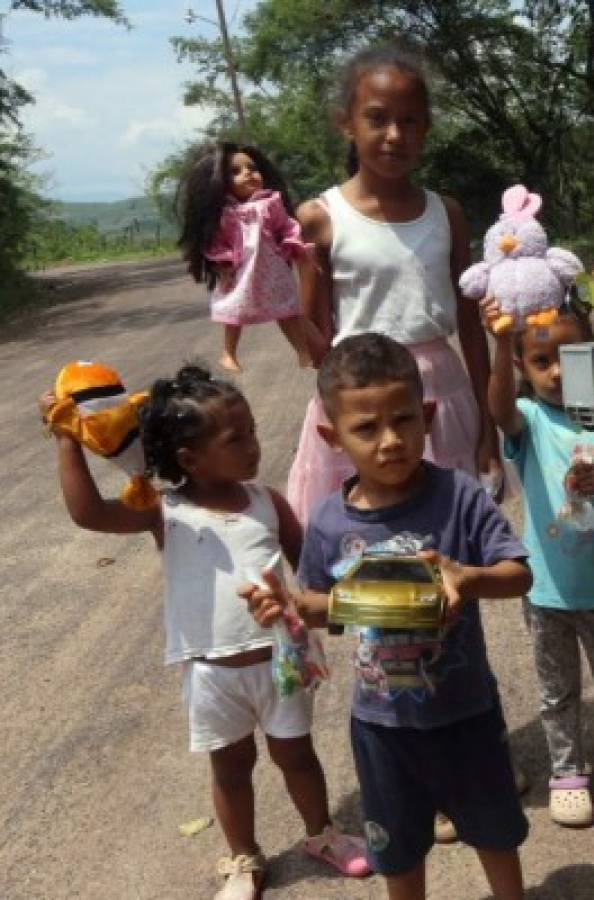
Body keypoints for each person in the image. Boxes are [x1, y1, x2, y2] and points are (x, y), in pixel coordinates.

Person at [40, 366, 369, 900]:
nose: (253, 446)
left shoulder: (268, 501)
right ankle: (244, 858)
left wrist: (330, 601)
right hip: (214, 672)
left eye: (253, 431)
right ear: (189, 459)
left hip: (280, 662)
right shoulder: (165, 511)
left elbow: (309, 569)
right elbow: (89, 514)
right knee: (231, 768)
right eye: (235, 438)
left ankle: (321, 835)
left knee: (297, 756)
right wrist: (66, 439)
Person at [243, 333, 531, 900]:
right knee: (397, 852)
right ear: (332, 438)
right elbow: (327, 608)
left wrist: (469, 579)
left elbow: (519, 575)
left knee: (495, 834)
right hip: (381, 727)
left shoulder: (461, 497)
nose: (391, 440)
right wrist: (289, 606)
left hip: (467, 711)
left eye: (404, 420)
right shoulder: (328, 522)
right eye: (366, 428)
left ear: (427, 416)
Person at [286, 43, 501, 526]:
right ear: (347, 123)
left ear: (426, 128)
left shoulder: (447, 213)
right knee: (361, 542)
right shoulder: (320, 218)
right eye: (377, 118)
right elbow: (312, 343)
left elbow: (469, 326)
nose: (394, 135)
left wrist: (488, 430)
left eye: (410, 121)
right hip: (358, 396)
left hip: (439, 396)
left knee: (446, 539)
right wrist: (274, 296)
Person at [485, 294, 594, 828]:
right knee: (557, 690)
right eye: (540, 361)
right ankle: (567, 772)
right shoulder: (531, 421)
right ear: (523, 367)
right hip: (547, 593)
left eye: (571, 356)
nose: (557, 371)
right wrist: (497, 344)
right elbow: (499, 411)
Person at [177, 141, 318, 373]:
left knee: (287, 311)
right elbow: (217, 241)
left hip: (271, 268)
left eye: (252, 168)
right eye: (235, 172)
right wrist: (223, 262)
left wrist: (291, 243)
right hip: (239, 271)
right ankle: (228, 353)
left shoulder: (271, 203)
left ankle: (302, 350)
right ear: (220, 182)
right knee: (234, 313)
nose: (248, 174)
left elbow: (285, 226)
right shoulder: (225, 214)